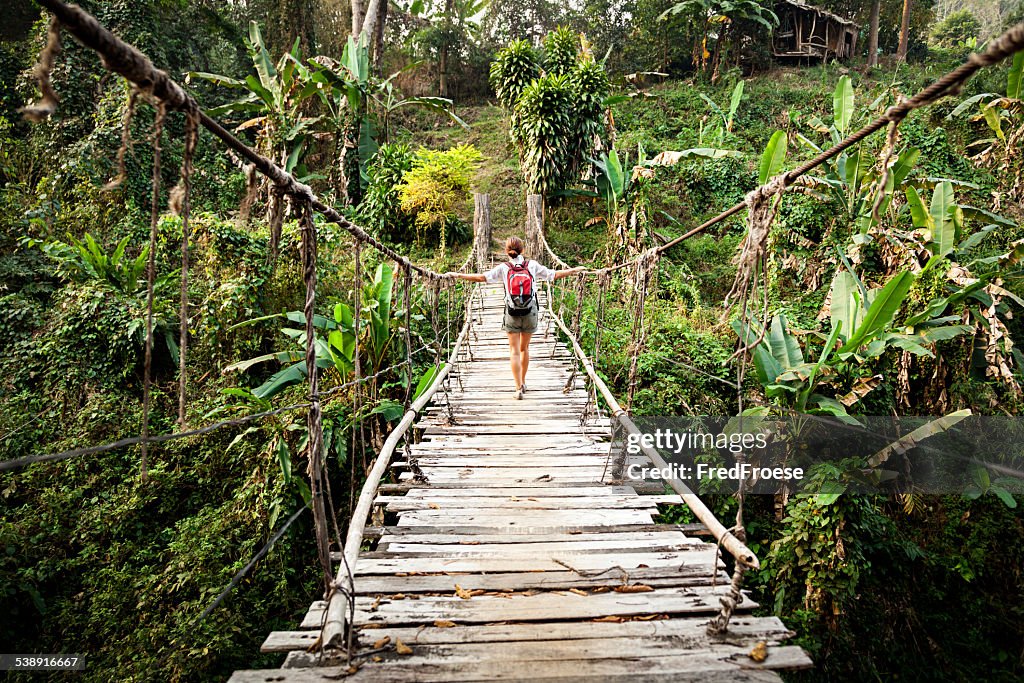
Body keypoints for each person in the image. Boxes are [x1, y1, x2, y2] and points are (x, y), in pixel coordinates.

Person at [446, 236, 585, 399]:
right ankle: (523, 381)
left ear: (506, 251)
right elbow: (553, 275)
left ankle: (518, 388)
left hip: (511, 311)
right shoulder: (532, 265)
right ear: (523, 250)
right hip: (530, 311)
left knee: (514, 350)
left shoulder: (503, 268)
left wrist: (458, 275)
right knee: (524, 348)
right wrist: (574, 270)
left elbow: (482, 278)